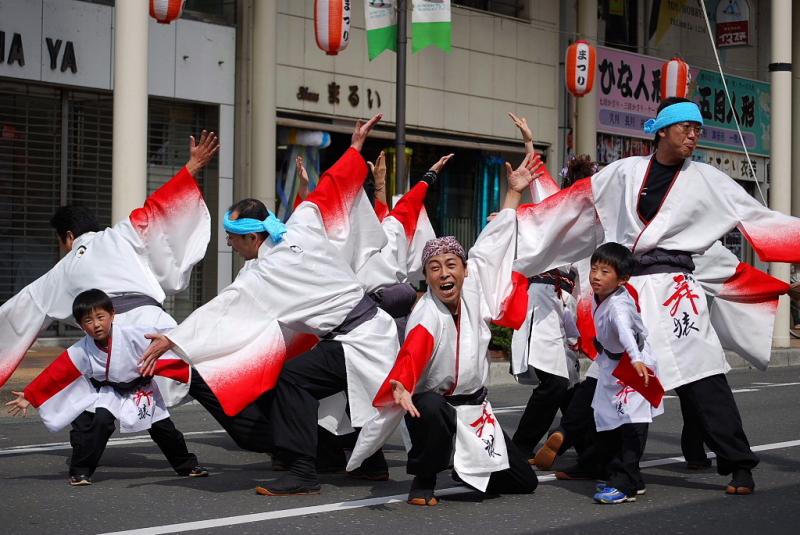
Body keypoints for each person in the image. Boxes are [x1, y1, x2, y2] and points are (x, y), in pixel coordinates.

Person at [513, 97, 800, 495]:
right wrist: (521, 222)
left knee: (702, 381)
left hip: (677, 290)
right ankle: (599, 459)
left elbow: (758, 218)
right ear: (662, 129)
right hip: (631, 291)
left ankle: (739, 464)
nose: (694, 135)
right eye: (687, 127)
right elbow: (577, 201)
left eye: (698, 129)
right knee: (615, 378)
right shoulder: (626, 172)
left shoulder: (707, 179)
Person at [139, 114, 403, 496]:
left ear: (250, 238)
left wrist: (172, 340)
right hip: (371, 329)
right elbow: (331, 187)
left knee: (293, 379)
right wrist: (354, 148)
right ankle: (371, 464)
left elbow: (221, 310)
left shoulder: (262, 275)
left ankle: (301, 472)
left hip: (357, 339)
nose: (229, 245)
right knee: (322, 381)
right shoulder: (303, 223)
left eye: (232, 238)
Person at [346, 153, 543, 507]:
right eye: (434, 268)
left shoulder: (474, 287)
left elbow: (493, 244)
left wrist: (514, 195)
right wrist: (402, 387)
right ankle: (424, 478)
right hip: (436, 407)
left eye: (451, 265)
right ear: (428, 276)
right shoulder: (427, 314)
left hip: (475, 410)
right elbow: (413, 352)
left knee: (523, 481)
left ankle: (463, 464)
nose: (443, 273)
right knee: (430, 407)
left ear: (465, 270)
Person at [0, 130, 219, 407]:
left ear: (68, 237)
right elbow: (158, 208)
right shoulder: (120, 235)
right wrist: (193, 167)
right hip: (157, 325)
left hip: (116, 342)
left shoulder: (64, 267)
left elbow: (15, 314)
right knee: (190, 386)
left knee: (102, 398)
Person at [5, 290, 206, 486]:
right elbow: (56, 374)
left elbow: (165, 354)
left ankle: (186, 466)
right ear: (80, 325)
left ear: (112, 315)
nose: (96, 325)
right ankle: (80, 471)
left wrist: (192, 375)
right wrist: (30, 396)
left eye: (100, 317)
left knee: (163, 429)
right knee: (100, 423)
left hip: (141, 390)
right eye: (88, 321)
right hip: (109, 391)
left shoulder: (135, 336)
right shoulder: (81, 349)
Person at [507, 114, 587, 460]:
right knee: (554, 383)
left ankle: (585, 446)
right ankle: (520, 446)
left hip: (565, 306)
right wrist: (529, 140)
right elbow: (536, 174)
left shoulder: (598, 226)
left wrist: (584, 327)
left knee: (569, 387)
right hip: (541, 299)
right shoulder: (558, 204)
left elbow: (588, 281)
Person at [585, 243, 663, 504]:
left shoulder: (618, 306)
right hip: (613, 365)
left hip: (633, 366)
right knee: (608, 420)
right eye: (594, 269)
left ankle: (625, 485)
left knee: (631, 426)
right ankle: (632, 479)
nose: (596, 276)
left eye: (605, 271)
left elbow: (626, 332)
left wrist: (637, 359)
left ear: (622, 279)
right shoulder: (603, 296)